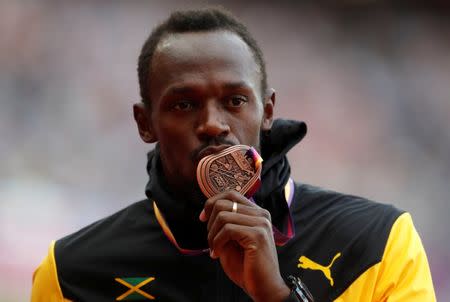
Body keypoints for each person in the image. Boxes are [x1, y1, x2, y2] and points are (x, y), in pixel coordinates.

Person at [31, 7, 436, 302]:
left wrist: (278, 297)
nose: (212, 124)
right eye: (183, 104)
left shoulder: (378, 243)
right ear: (145, 123)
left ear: (268, 112)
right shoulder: (72, 274)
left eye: (235, 100)